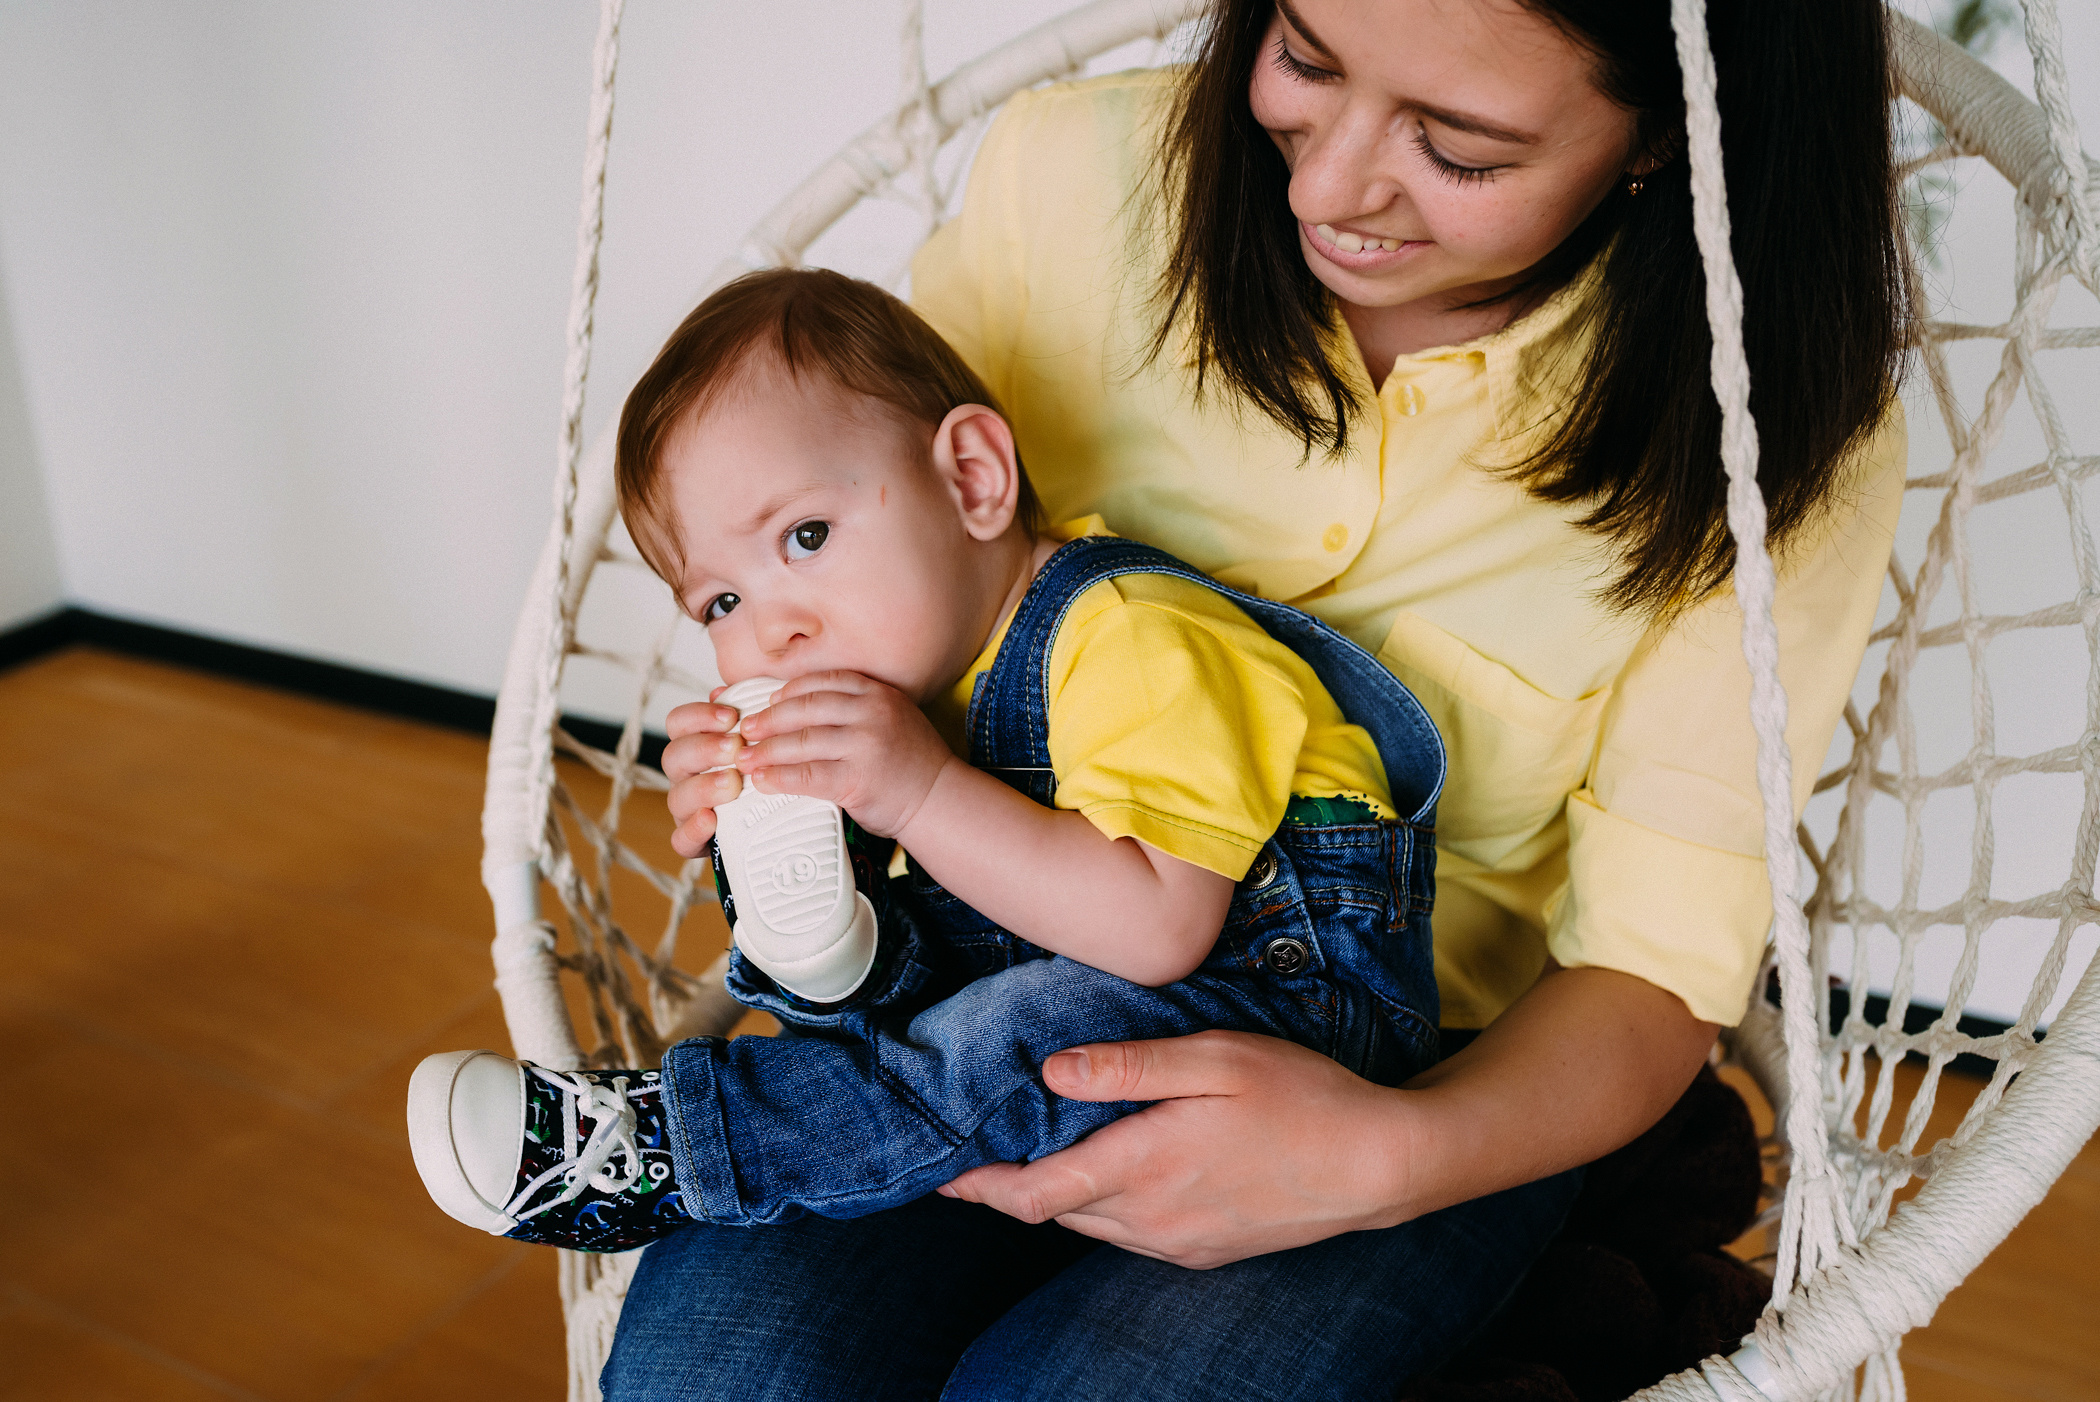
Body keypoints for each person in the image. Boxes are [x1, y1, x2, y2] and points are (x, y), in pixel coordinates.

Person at [603, 0, 1909, 1397]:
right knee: (714, 1372)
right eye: (1305, 59)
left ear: (1660, 134)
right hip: (975, 995)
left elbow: (1655, 966)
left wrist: (1378, 1159)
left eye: (1457, 146)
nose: (1326, 186)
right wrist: (779, 773)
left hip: (1407, 1069)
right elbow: (847, 560)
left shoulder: (1756, 420)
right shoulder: (1072, 184)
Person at [406, 266, 1452, 1245]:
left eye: (805, 537)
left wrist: (921, 792)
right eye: (721, 602)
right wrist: (784, 852)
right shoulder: (902, 700)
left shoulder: (1132, 637)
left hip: (1297, 1022)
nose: (774, 630)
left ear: (972, 476)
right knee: (934, 1022)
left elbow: (1153, 929)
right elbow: (901, 986)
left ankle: (670, 1149)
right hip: (1083, 1018)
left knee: (1013, 1028)